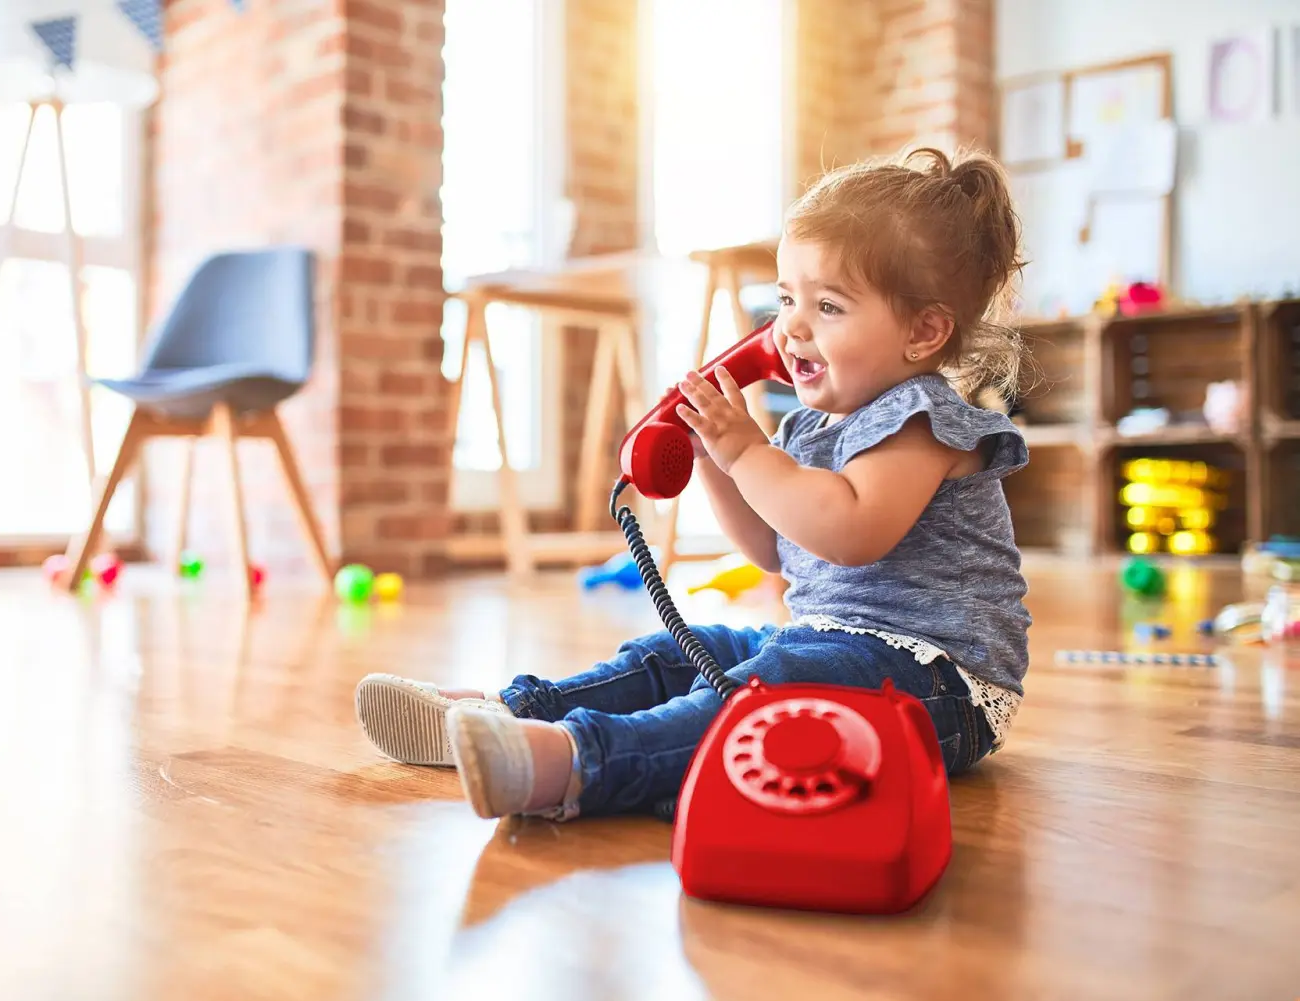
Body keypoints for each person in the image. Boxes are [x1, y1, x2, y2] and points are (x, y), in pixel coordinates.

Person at [354, 145, 1032, 822]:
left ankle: (571, 762)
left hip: (941, 689)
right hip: (834, 647)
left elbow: (849, 532)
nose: (790, 327)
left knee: (765, 690)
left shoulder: (922, 423)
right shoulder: (809, 429)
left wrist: (745, 453)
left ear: (925, 331)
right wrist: (712, 458)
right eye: (787, 297)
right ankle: (506, 711)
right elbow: (775, 549)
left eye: (828, 306)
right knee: (677, 652)